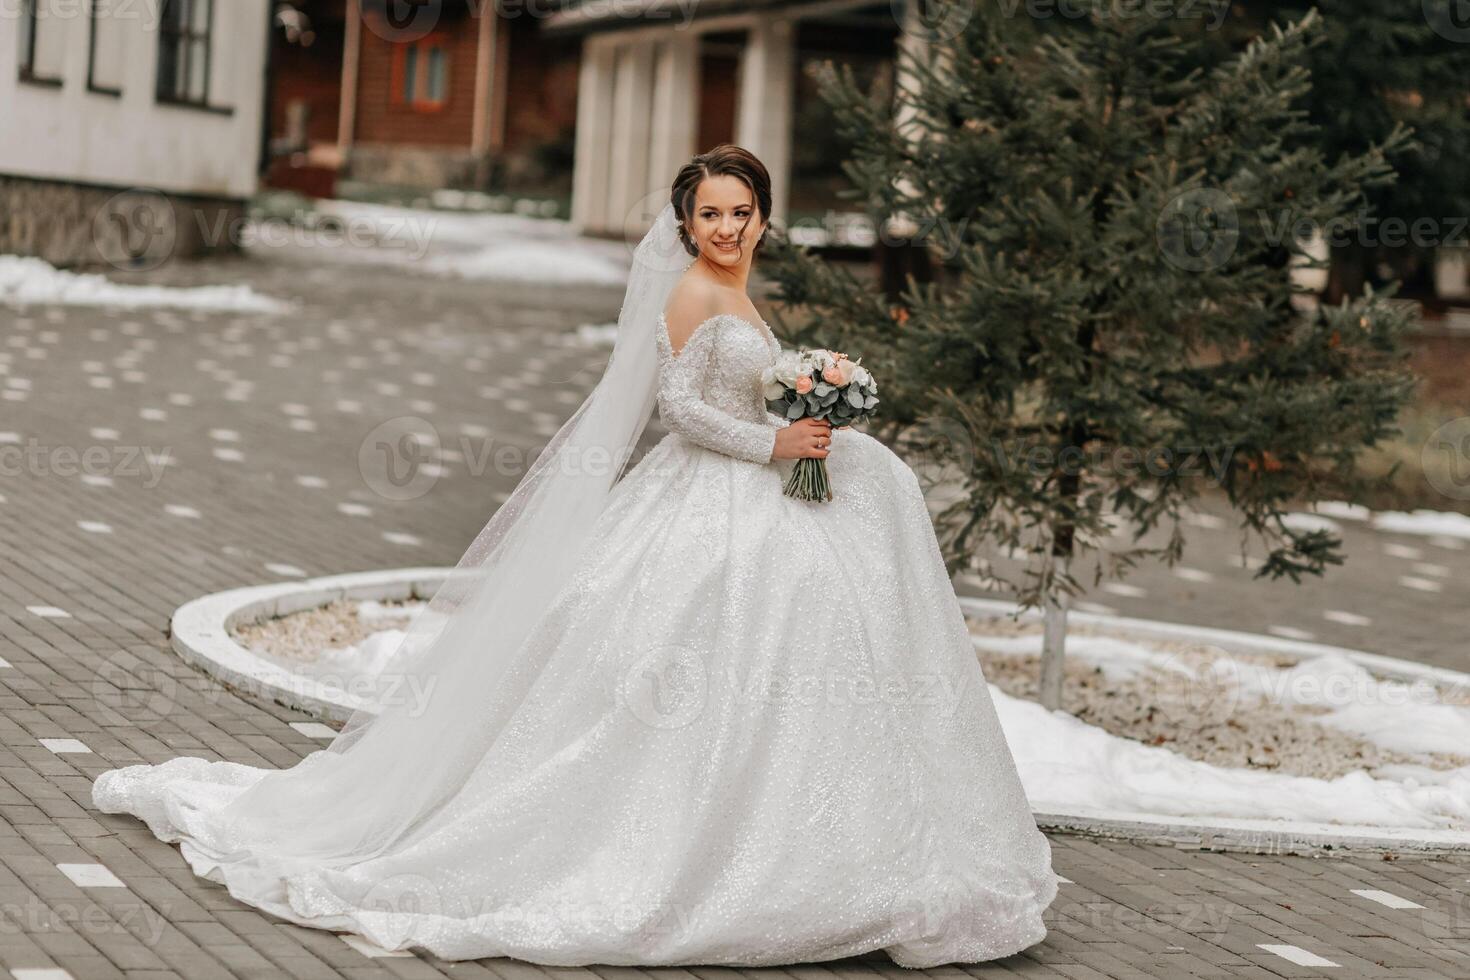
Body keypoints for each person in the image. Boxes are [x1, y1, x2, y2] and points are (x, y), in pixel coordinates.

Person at [91, 144, 1059, 967]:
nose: (728, 227)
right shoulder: (690, 289)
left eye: (744, 211)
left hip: (750, 487)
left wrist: (806, 406)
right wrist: (775, 441)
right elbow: (677, 409)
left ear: (764, 217)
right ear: (686, 224)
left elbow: (733, 391)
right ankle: (685, 846)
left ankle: (812, 840)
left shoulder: (736, 285)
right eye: (712, 214)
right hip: (706, 494)